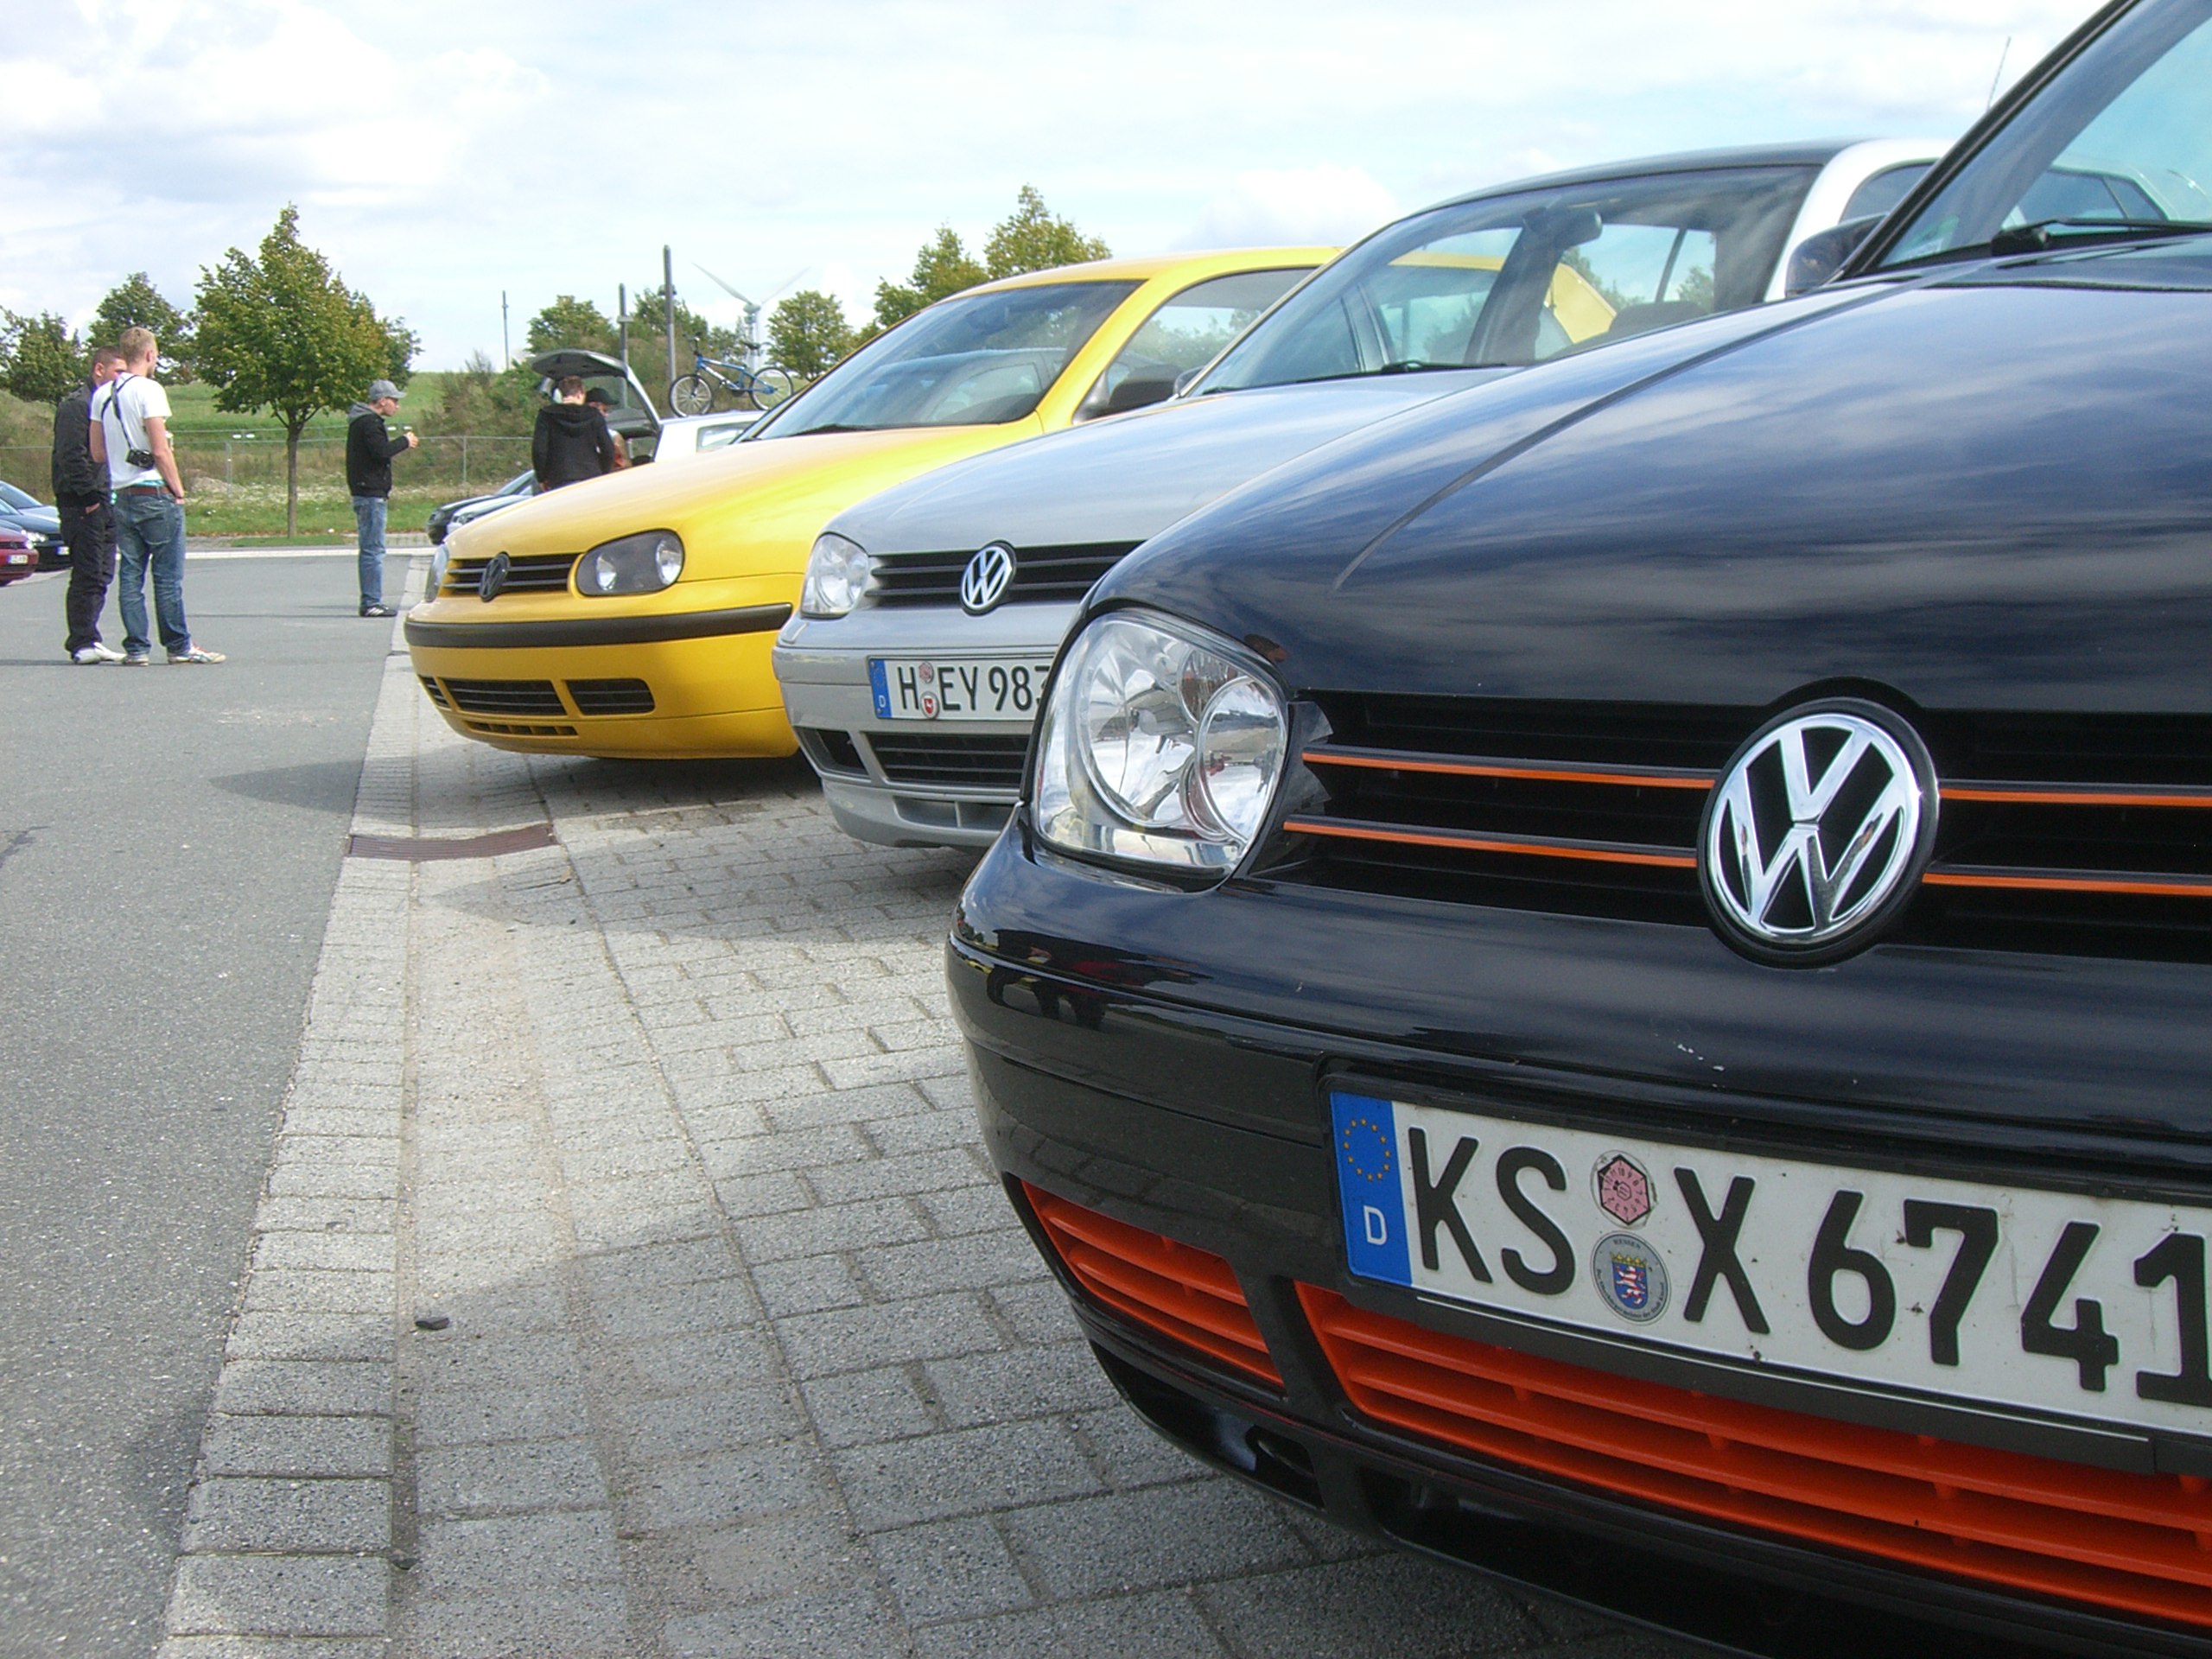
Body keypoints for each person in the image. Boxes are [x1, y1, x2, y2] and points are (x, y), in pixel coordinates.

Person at [89, 327, 222, 665]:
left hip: (122, 493)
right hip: (154, 490)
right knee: (166, 577)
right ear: (149, 354)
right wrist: (178, 489)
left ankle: (137, 647)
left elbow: (97, 453)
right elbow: (160, 450)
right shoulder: (150, 390)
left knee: (130, 573)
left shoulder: (102, 395)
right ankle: (178, 645)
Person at [53, 346, 127, 663]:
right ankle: (81, 642)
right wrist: (89, 498)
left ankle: (91, 637)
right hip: (81, 504)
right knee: (87, 572)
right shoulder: (77, 405)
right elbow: (71, 455)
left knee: (103, 572)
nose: (121, 379)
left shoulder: (108, 405)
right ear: (99, 369)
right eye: (117, 372)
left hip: (106, 498)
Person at [346, 378, 419, 617]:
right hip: (370, 494)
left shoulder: (362, 421)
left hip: (366, 491)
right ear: (382, 401)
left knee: (371, 548)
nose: (397, 405)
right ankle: (371, 602)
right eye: (394, 400)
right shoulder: (369, 423)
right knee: (373, 550)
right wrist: (404, 441)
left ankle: (371, 600)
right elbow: (381, 452)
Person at [531, 376, 617, 489]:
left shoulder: (547, 415)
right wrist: (603, 472)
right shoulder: (594, 415)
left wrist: (542, 477)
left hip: (559, 477)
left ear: (562, 394)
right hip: (591, 476)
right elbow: (608, 449)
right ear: (580, 394)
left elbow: (539, 450)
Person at [582, 387, 632, 468]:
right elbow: (625, 467)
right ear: (593, 406)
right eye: (604, 410)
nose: (607, 415)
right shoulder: (613, 437)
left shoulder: (572, 433)